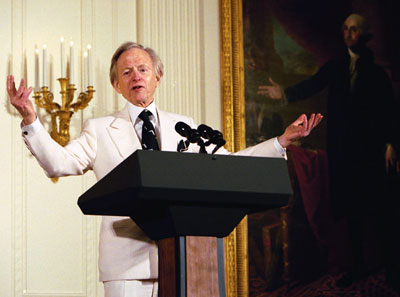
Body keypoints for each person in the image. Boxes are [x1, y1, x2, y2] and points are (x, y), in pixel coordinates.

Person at [7, 41, 322, 297]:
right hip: (126, 267)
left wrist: (280, 142)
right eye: (127, 72)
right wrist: (31, 120)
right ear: (116, 84)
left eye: (143, 69)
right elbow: (58, 162)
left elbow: (229, 166)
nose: (136, 77)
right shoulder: (100, 130)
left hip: (186, 260)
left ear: (157, 77)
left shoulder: (184, 127)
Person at [258, 14, 399, 287]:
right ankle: (358, 266)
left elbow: (389, 113)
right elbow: (312, 84)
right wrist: (284, 95)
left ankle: (389, 270)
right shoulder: (336, 66)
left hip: (370, 152)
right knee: (351, 211)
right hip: (343, 151)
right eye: (345, 29)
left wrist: (392, 144)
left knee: (379, 209)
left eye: (354, 29)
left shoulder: (377, 73)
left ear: (365, 35)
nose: (349, 33)